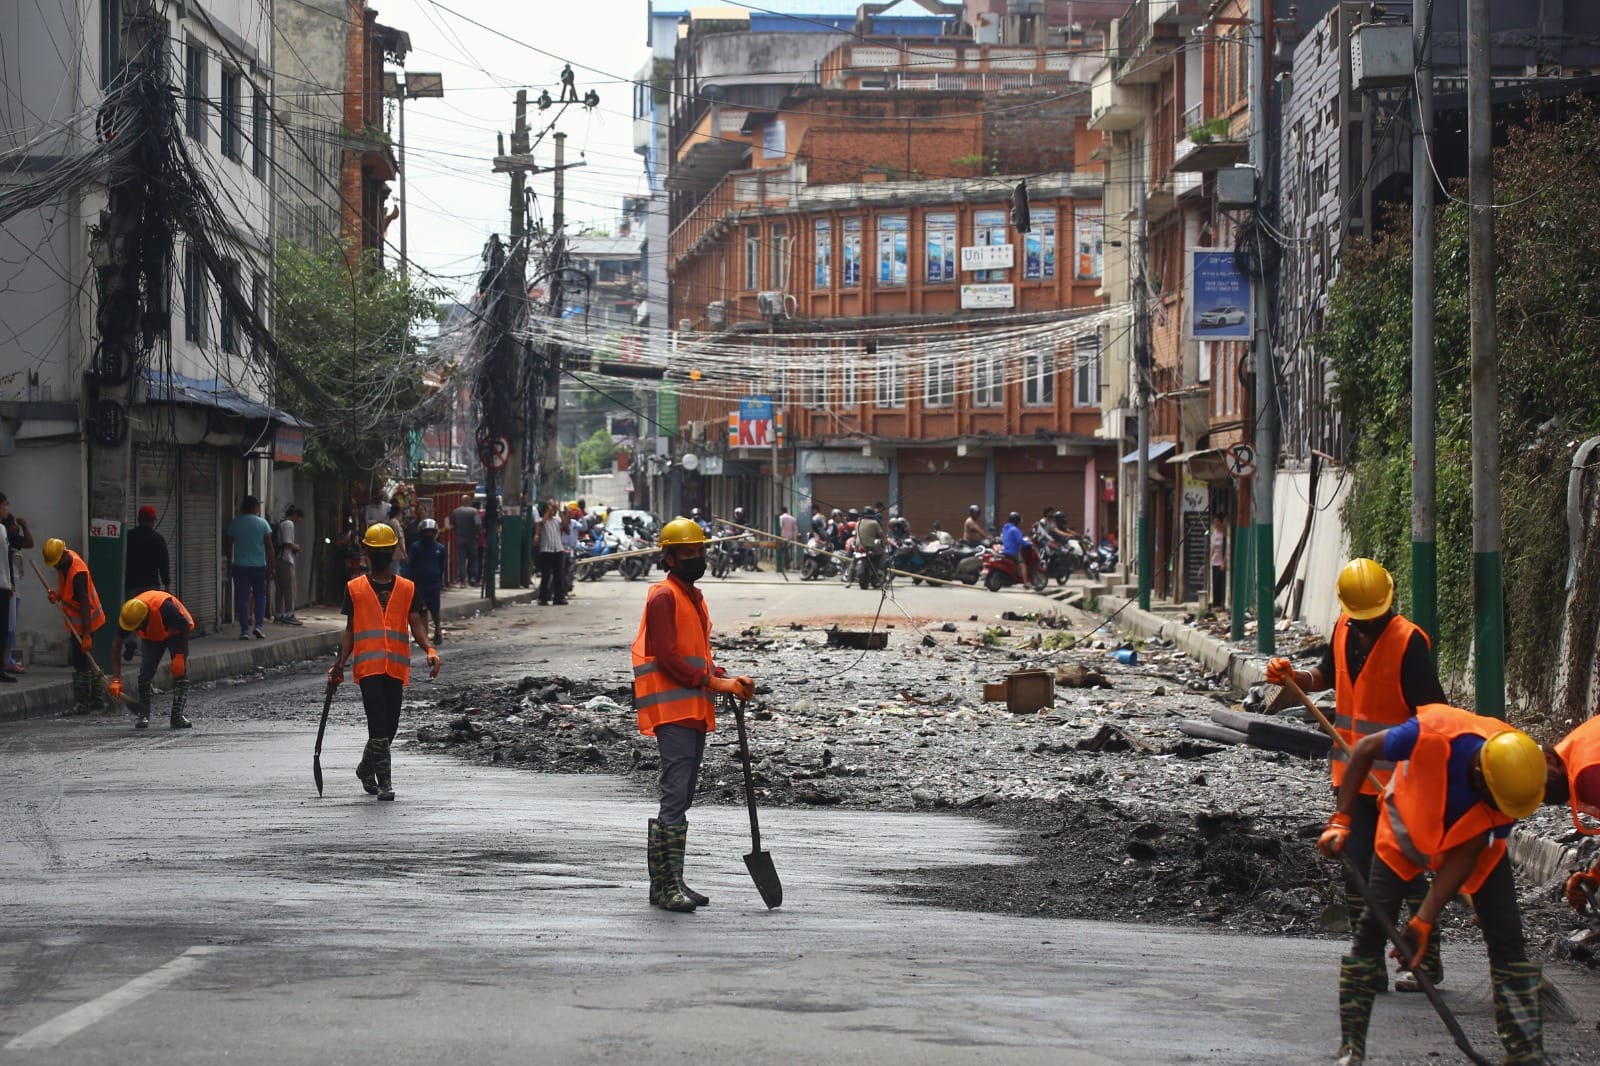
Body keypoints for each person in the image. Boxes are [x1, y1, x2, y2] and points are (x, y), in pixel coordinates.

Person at [1319, 705, 1547, 1065]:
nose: (1496, 807)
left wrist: (1423, 920)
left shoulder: (1513, 775)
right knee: (1371, 931)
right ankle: (1351, 1049)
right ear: (1478, 774)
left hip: (1472, 844)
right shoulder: (1431, 733)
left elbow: (1469, 851)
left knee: (1507, 937)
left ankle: (1525, 1052)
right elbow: (1363, 750)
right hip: (1405, 832)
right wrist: (1341, 820)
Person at [1266, 558, 1447, 992]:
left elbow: (1434, 717)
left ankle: (1426, 960)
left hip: (1399, 781)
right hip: (1350, 777)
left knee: (1403, 867)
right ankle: (1369, 962)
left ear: (1388, 603)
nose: (1366, 624)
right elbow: (1328, 673)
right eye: (1361, 617)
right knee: (1356, 869)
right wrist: (1296, 678)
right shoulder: (1345, 629)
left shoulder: (1409, 644)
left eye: (1373, 617)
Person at [630, 517, 755, 913]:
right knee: (675, 794)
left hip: (693, 708)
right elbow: (668, 659)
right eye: (688, 553)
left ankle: (673, 880)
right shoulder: (664, 597)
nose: (696, 559)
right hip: (673, 711)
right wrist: (716, 683)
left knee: (682, 795)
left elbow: (694, 655)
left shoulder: (693, 597)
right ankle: (663, 886)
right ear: (668, 558)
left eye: (699, 552)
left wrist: (725, 678)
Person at [327, 523, 440, 801]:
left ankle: (365, 767)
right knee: (377, 724)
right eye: (377, 551)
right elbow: (351, 629)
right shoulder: (355, 588)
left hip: (395, 667)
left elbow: (415, 623)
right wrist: (339, 664)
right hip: (369, 668)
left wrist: (429, 648)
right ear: (367, 553)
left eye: (386, 551)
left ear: (393, 553)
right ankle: (384, 783)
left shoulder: (406, 588)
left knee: (391, 726)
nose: (381, 555)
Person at [108, 590, 193, 729]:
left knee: (180, 673)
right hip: (153, 636)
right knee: (145, 673)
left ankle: (177, 717)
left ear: (145, 618)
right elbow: (116, 646)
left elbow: (185, 627)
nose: (135, 630)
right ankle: (143, 714)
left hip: (176, 633)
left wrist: (179, 656)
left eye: (137, 626)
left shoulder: (166, 609)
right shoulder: (130, 616)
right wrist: (116, 679)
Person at [43, 537, 107, 714]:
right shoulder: (65, 563)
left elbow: (85, 604)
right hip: (79, 623)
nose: (55, 567)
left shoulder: (77, 572)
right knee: (86, 660)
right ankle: (96, 699)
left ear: (63, 556)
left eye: (56, 563)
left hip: (87, 622)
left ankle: (84, 703)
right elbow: (68, 591)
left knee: (80, 663)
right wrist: (57, 595)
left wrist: (86, 635)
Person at [123, 504, 170, 660]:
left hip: (131, 584)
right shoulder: (157, 539)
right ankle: (146, 648)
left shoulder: (128, 537)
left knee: (131, 615)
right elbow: (164, 563)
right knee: (149, 618)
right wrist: (167, 585)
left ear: (138, 519)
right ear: (152, 521)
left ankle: (130, 641)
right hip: (151, 586)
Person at [224, 495, 273, 640]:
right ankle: (258, 626)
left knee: (242, 598)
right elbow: (269, 547)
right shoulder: (263, 524)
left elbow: (228, 545)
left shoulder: (235, 523)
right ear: (255, 507)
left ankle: (245, 630)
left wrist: (229, 562)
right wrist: (272, 566)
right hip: (259, 566)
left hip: (240, 566)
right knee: (260, 596)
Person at [403, 518, 448, 645]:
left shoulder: (440, 548)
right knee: (422, 610)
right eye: (426, 532)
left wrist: (440, 580)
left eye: (431, 532)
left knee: (435, 610)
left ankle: (437, 630)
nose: (429, 535)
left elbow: (442, 566)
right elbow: (410, 565)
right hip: (419, 584)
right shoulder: (415, 548)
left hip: (433, 584)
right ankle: (425, 636)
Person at [3, 502, 30, 673]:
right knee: (9, 627)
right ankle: (6, 660)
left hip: (14, 587)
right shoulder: (6, 536)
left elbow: (29, 543)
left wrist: (25, 526)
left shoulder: (12, 540)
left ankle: (7, 658)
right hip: (8, 586)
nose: (16, 526)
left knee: (11, 626)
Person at [274, 504, 304, 626]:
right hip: (286, 560)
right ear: (295, 515)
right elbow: (287, 542)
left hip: (279, 559)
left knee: (280, 589)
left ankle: (279, 614)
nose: (298, 521)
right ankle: (289, 614)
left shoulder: (282, 523)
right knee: (289, 589)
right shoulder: (289, 524)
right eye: (299, 518)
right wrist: (296, 547)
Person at [535, 501, 567, 607]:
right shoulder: (541, 520)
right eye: (549, 508)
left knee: (559, 575)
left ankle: (558, 597)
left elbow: (566, 527)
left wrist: (560, 512)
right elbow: (540, 525)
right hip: (546, 550)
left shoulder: (557, 520)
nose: (552, 510)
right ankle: (542, 598)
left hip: (558, 549)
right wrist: (548, 512)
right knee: (546, 575)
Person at [0, 496, 14, 682]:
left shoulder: (3, 529)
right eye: (4, 506)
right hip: (1, 584)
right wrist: (8, 583)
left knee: (3, 628)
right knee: (2, 628)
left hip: (3, 583)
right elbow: (4, 561)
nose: (6, 509)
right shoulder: (1, 530)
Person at [451, 500, 481, 587]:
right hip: (472, 538)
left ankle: (462, 581)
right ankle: (473, 578)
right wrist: (476, 533)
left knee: (461, 560)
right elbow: (478, 523)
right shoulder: (474, 511)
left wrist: (457, 531)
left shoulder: (456, 511)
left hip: (461, 538)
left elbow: (453, 524)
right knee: (473, 559)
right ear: (469, 502)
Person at [1000, 511, 1028, 582]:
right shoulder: (1015, 530)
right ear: (1016, 521)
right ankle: (1026, 583)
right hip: (1013, 551)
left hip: (1005, 550)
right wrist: (1028, 544)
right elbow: (1020, 541)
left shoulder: (1005, 528)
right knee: (1023, 564)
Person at [1209, 516, 1228, 608]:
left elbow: (1226, 549)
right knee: (1215, 583)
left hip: (1221, 562)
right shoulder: (1214, 533)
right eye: (1214, 522)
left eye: (1217, 522)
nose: (1215, 524)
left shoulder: (1223, 534)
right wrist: (1210, 559)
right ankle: (1215, 604)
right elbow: (1212, 547)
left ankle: (1220, 604)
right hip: (1214, 561)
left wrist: (1224, 561)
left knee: (1220, 582)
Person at [386, 501, 409, 567]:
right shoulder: (395, 523)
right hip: (396, 553)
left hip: (393, 552)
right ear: (399, 512)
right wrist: (404, 553)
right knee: (395, 571)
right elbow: (399, 539)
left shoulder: (391, 522)